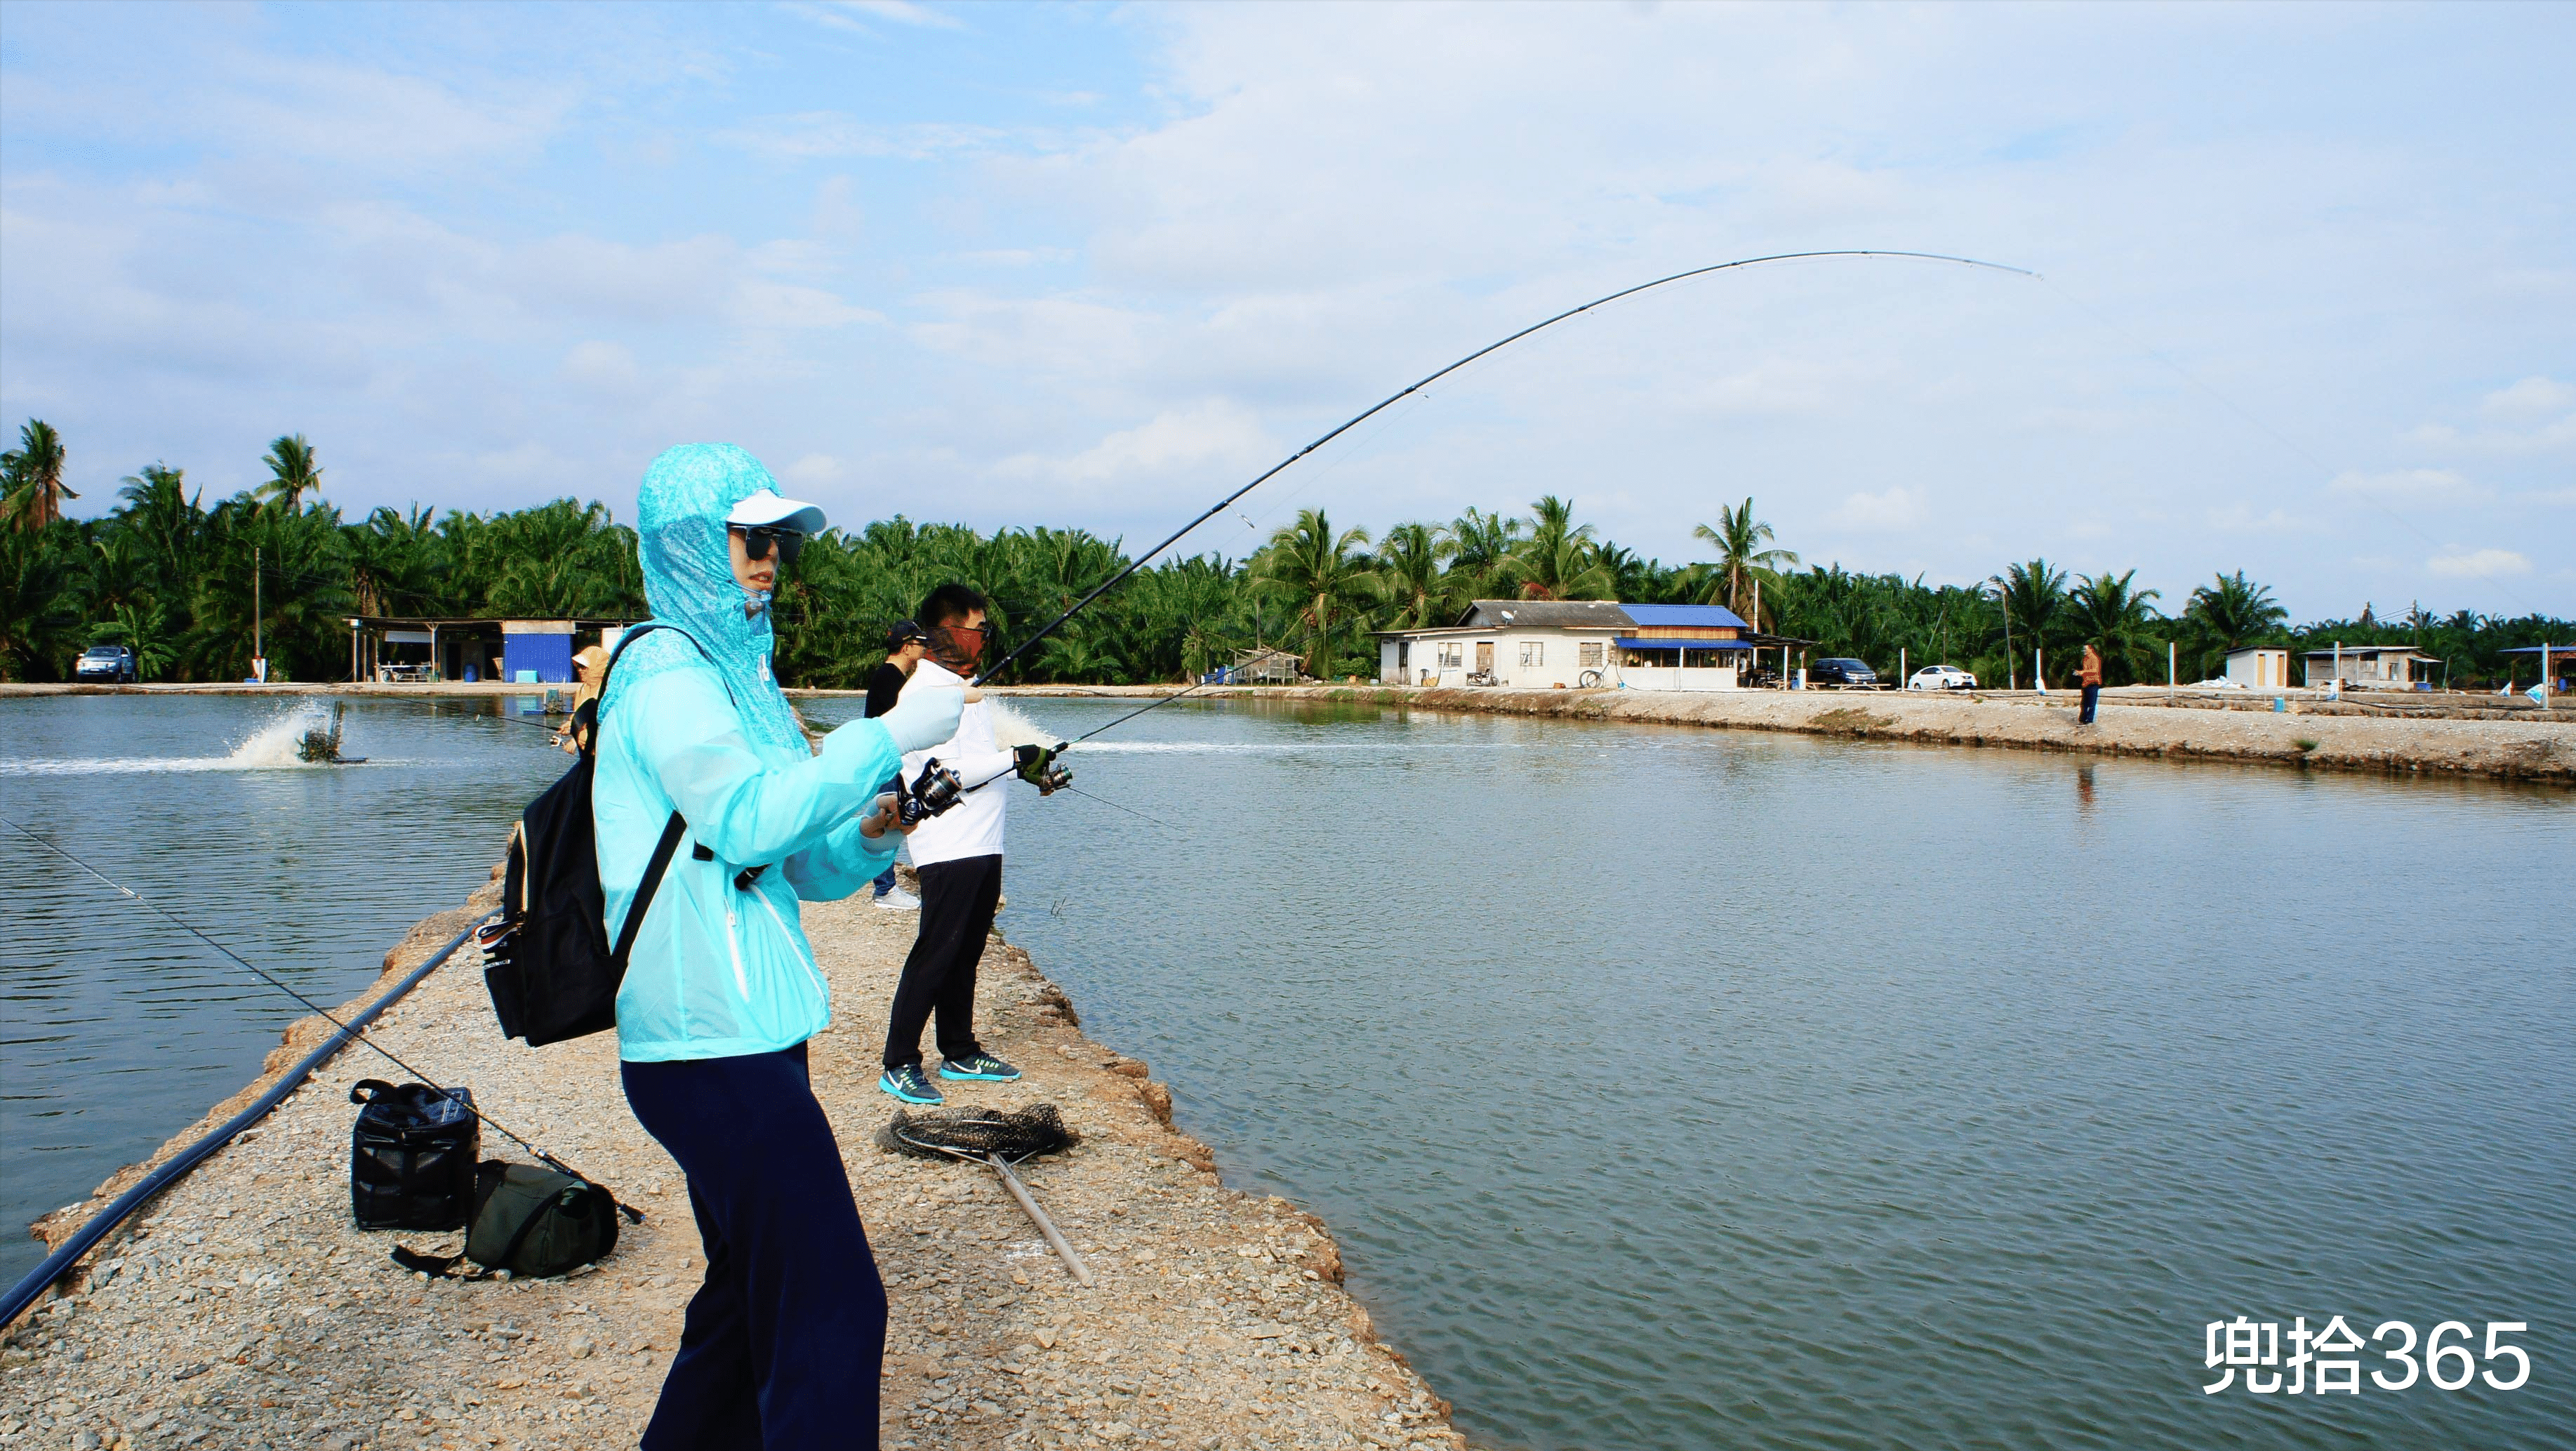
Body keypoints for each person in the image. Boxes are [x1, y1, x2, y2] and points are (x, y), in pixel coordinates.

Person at [591, 442, 964, 1451]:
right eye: (749, 537)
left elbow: (794, 863)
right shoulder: (667, 673)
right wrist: (882, 732)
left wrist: (871, 827)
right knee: (835, 1303)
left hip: (752, 1029)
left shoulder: (735, 679)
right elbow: (746, 819)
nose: (769, 558)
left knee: (743, 1300)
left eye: (778, 541)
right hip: (702, 1042)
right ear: (686, 543)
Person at [877, 584, 1067, 1106]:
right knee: (935, 953)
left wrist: (1027, 766)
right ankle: (898, 1062)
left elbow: (981, 757)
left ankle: (958, 1049)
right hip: (949, 845)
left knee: (966, 952)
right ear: (945, 633)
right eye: (977, 628)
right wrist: (1014, 757)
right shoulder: (925, 695)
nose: (985, 638)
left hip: (984, 843)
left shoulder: (965, 689)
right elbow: (949, 772)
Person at [864, 620, 930, 910]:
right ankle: (885, 891)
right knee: (888, 821)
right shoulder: (891, 680)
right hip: (883, 763)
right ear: (907, 647)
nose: (925, 649)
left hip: (887, 761)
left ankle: (886, 888)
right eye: (921, 644)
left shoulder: (890, 677)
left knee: (892, 820)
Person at [554, 642, 610, 755]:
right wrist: (571, 726)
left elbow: (606, 726)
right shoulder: (582, 690)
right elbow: (579, 717)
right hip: (586, 754)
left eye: (584, 667)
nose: (580, 670)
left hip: (603, 755)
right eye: (578, 666)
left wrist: (575, 742)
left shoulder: (608, 693)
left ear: (597, 668)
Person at [2078, 642, 2104, 725]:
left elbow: (2095, 671)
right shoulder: (2085, 659)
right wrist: (2080, 673)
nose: (2084, 651)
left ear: (2091, 649)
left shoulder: (2095, 658)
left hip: (2093, 683)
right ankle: (2083, 720)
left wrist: (2083, 672)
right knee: (2083, 704)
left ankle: (2089, 721)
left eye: (2086, 649)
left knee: (2091, 704)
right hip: (2085, 683)